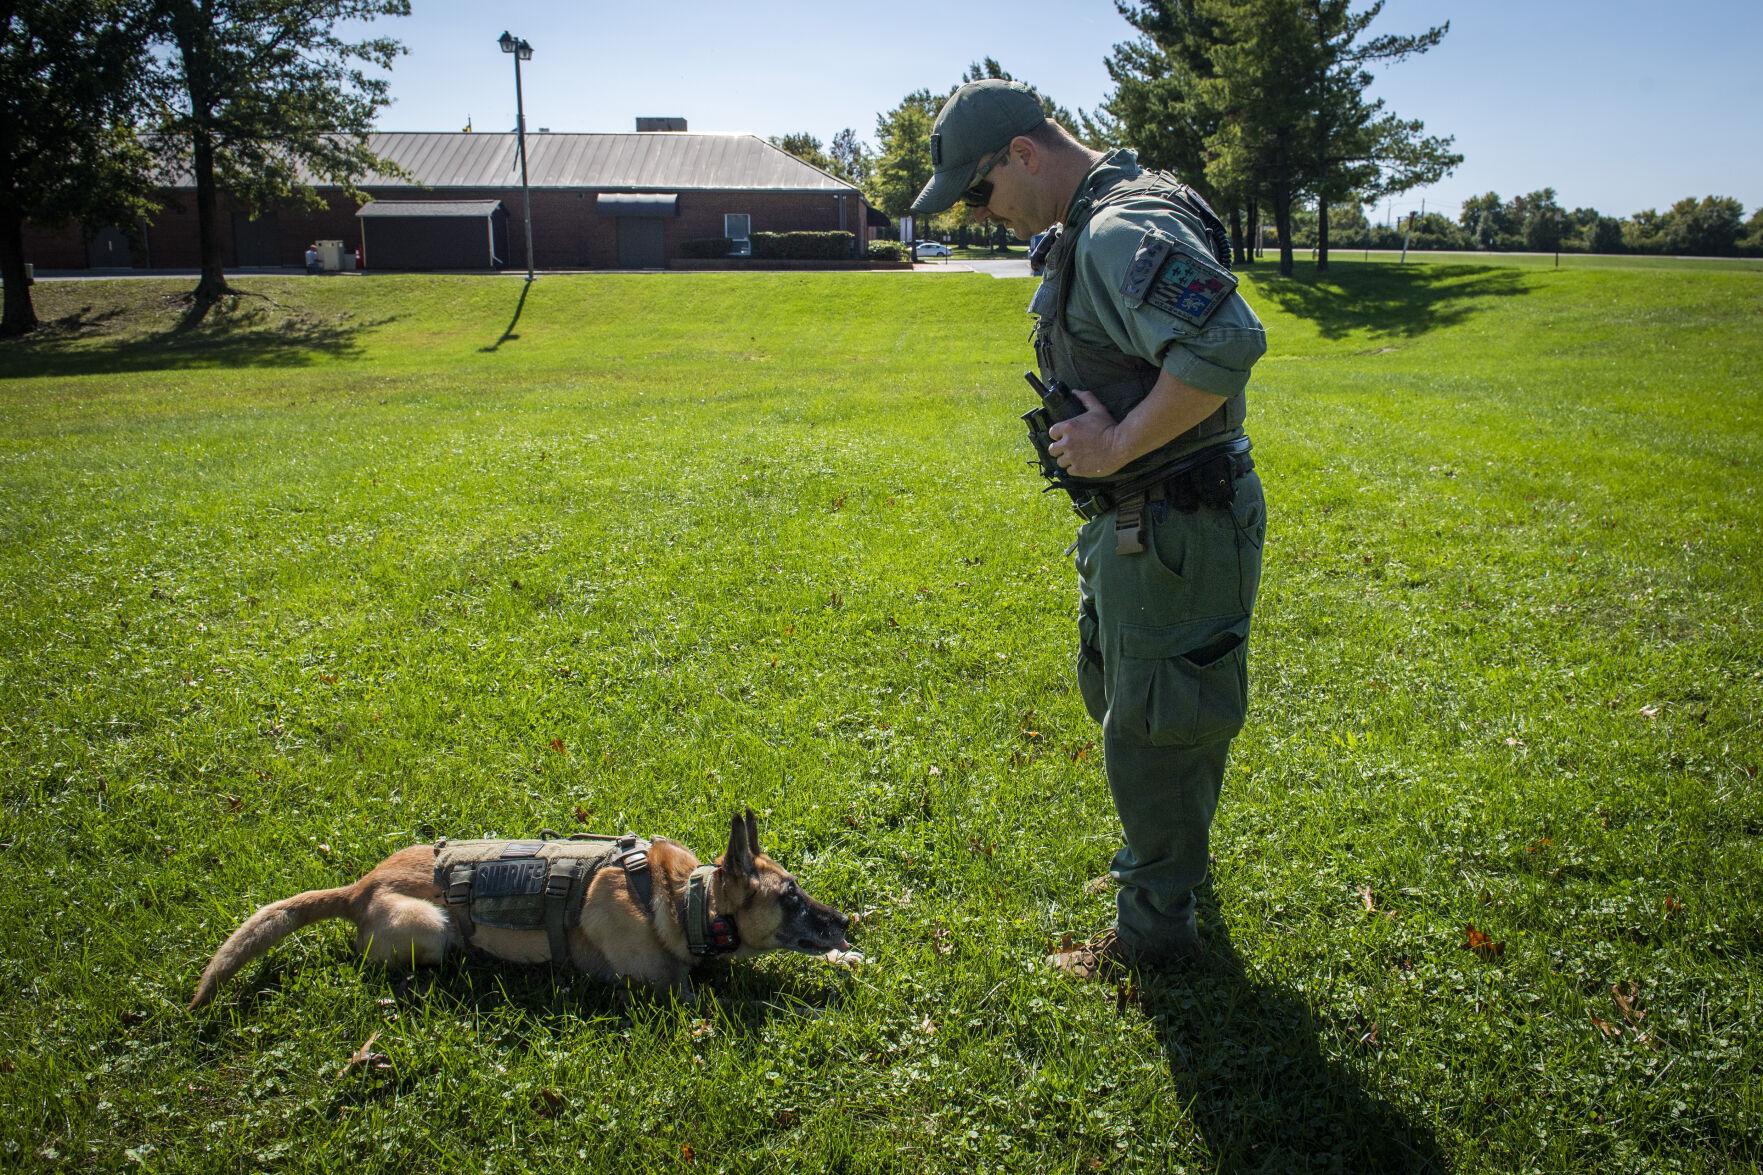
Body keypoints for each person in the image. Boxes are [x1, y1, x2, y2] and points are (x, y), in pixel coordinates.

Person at [911, 80, 1268, 978]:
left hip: (1174, 519)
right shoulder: (1102, 218)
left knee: (1156, 724)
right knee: (1133, 702)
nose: (979, 214)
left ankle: (1154, 936)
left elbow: (1224, 346)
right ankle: (1173, 869)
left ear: (1022, 154)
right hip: (1140, 519)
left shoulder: (1115, 231)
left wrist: (1113, 443)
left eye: (979, 192)